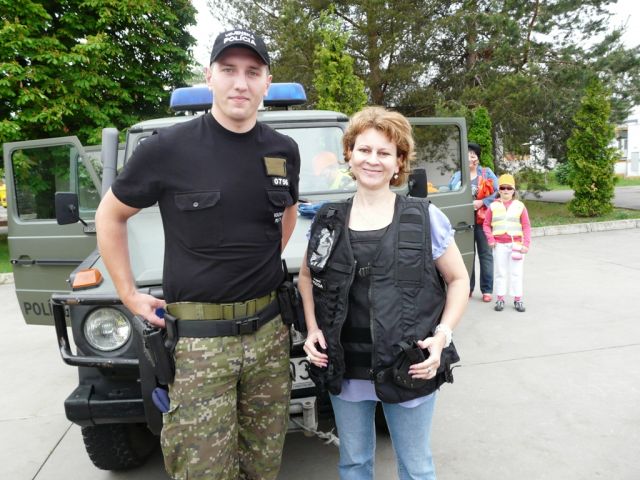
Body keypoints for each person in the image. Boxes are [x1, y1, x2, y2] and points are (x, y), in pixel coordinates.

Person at [95, 29, 300, 480]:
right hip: (201, 344)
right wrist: (128, 293)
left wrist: (261, 261)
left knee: (264, 464)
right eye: (229, 70)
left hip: (270, 334)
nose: (240, 83)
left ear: (267, 82)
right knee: (202, 470)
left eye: (253, 72)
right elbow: (110, 215)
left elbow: (287, 211)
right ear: (209, 76)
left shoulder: (283, 150)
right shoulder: (167, 149)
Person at [298, 107, 469, 480]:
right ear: (349, 154)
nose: (372, 160)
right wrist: (312, 329)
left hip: (408, 365)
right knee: (354, 463)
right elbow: (307, 277)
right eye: (364, 150)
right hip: (346, 368)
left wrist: (442, 336)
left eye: (384, 152)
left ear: (399, 162)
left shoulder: (424, 217)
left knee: (416, 467)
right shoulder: (328, 220)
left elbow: (458, 280)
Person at [448, 143, 499, 302]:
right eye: (467, 155)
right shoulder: (458, 175)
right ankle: (467, 288)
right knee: (466, 255)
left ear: (477, 158)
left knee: (485, 255)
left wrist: (482, 202)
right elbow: (451, 193)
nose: (470, 158)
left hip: (483, 221)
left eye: (473, 155)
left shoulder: (486, 173)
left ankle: (487, 290)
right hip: (463, 222)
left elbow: (498, 192)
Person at [482, 173, 531, 313]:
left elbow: (526, 226)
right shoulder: (493, 206)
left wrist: (526, 244)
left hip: (516, 245)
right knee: (500, 272)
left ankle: (518, 299)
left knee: (516, 273)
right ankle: (500, 298)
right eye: (502, 188)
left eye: (509, 188)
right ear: (499, 190)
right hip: (499, 245)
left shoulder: (520, 206)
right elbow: (486, 225)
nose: (505, 191)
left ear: (513, 190)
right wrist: (491, 239)